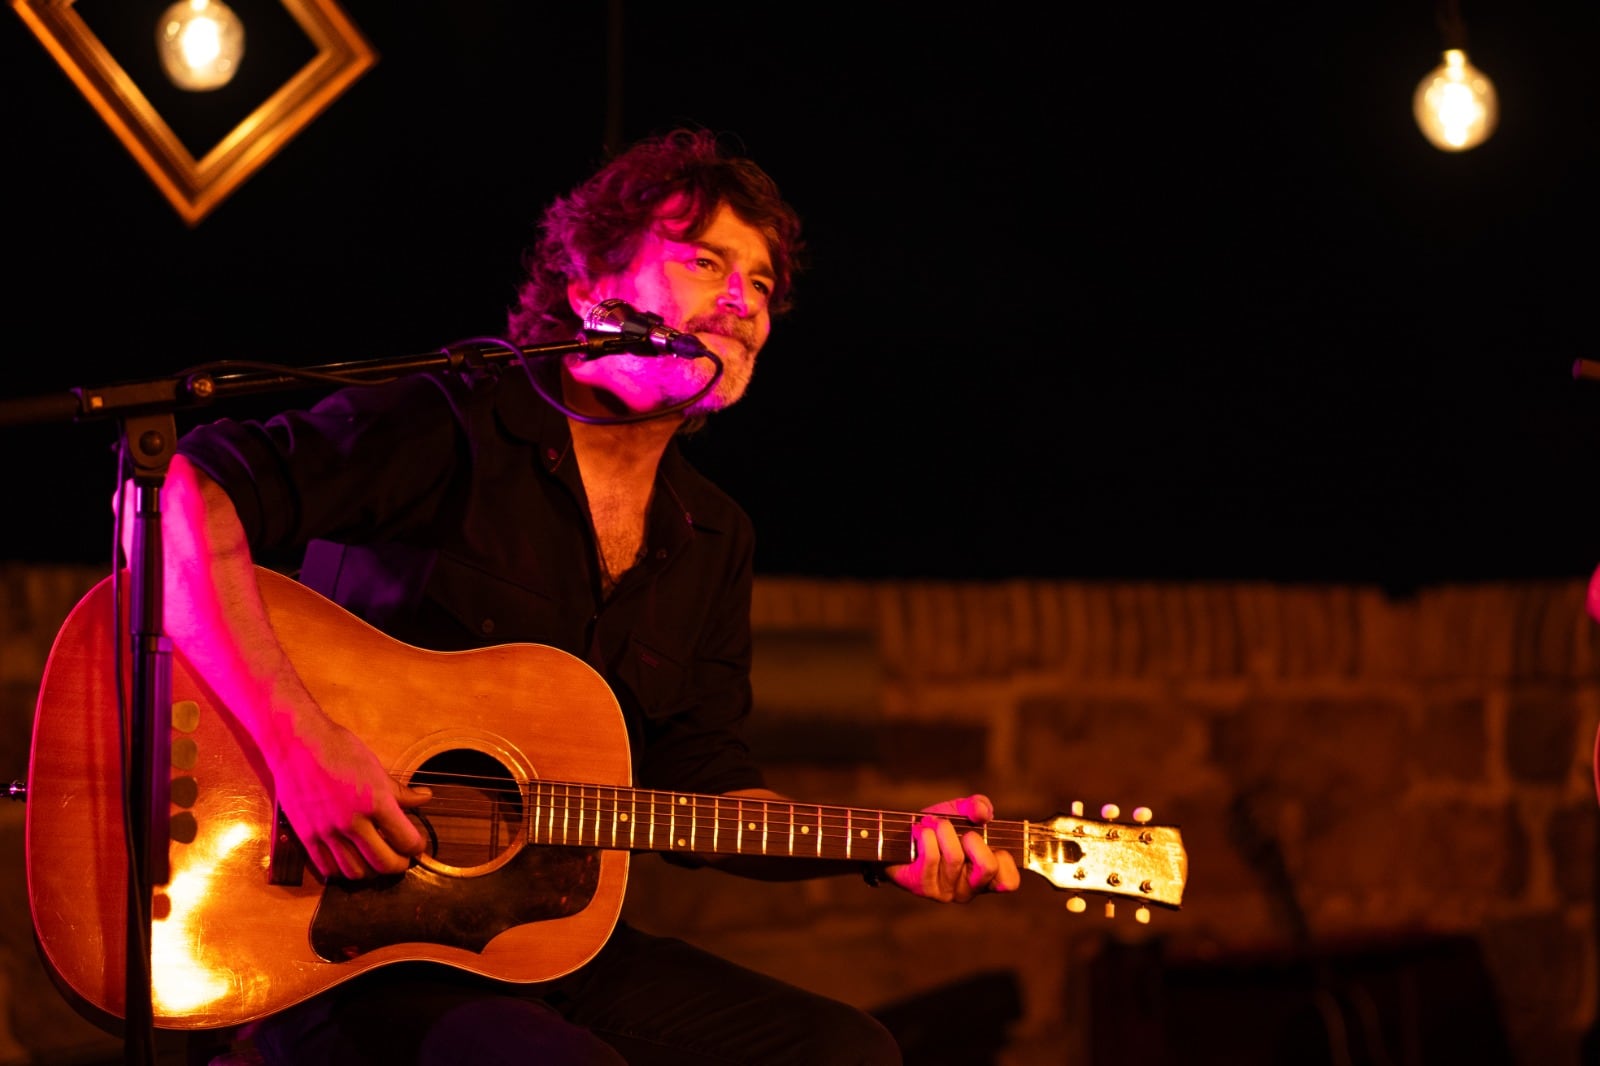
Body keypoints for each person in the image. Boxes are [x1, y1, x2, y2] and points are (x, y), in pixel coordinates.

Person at [126, 127, 1021, 1065]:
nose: (740, 302)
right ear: (591, 285)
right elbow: (181, 493)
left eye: (760, 284)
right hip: (330, 943)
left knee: (846, 1051)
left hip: (528, 947)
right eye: (706, 261)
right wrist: (301, 746)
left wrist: (884, 848)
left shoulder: (712, 538)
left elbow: (703, 782)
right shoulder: (454, 423)